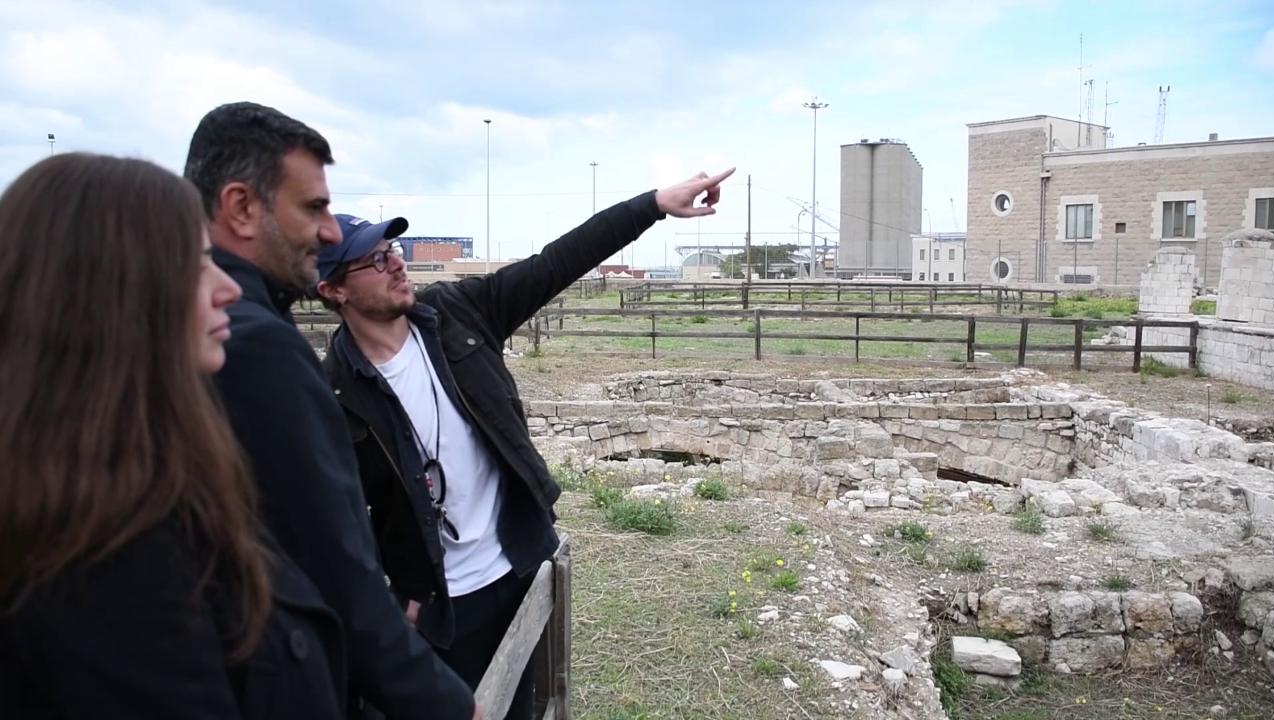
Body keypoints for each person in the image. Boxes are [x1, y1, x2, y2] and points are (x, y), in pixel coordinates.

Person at [314, 168, 734, 719]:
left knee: (526, 708)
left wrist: (653, 203)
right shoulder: (331, 391)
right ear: (333, 290)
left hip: (521, 567)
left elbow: (558, 261)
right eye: (373, 259)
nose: (395, 261)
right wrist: (388, 601)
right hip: (439, 609)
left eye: (391, 248)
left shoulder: (460, 312)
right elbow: (335, 519)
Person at [0, 153, 345, 718]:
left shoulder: (122, 482)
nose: (227, 288)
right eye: (196, 263)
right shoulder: (107, 559)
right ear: (111, 295)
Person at [184, 102, 475, 719]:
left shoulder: (188, 326)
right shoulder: (253, 344)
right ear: (241, 207)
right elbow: (332, 563)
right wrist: (449, 704)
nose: (329, 232)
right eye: (313, 207)